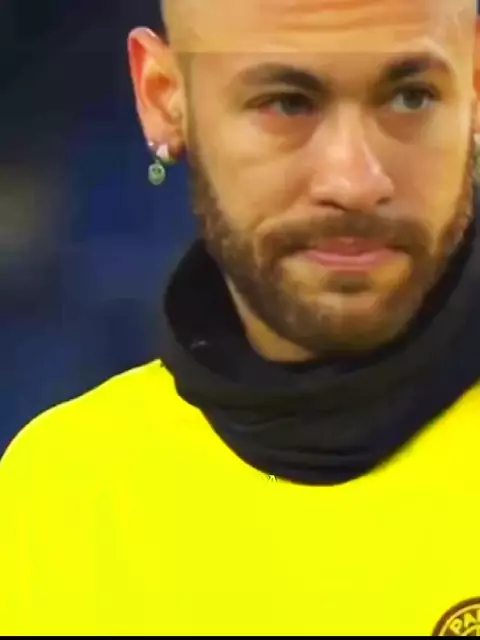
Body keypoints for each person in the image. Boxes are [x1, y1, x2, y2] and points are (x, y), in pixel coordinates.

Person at [1, 0, 480, 635]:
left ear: (475, 83)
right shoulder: (56, 496)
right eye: (287, 103)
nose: (355, 181)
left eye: (411, 97)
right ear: (164, 98)